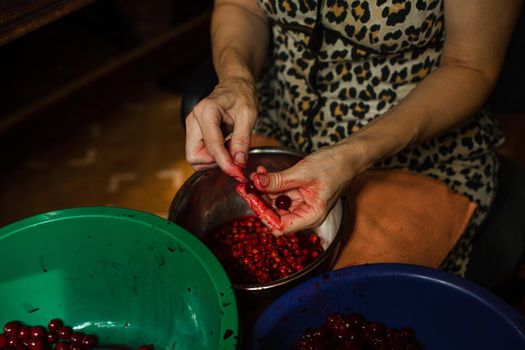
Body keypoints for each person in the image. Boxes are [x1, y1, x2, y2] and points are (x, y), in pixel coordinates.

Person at [184, 0, 523, 276]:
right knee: (205, 273)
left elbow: (470, 67)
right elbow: (241, 7)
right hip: (275, 118)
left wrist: (353, 154)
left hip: (410, 149)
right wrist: (236, 78)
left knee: (336, 301)